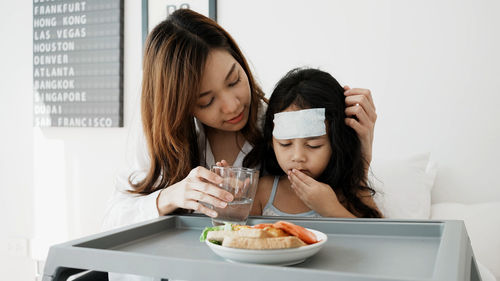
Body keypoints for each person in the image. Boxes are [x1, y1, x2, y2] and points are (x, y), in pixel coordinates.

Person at [103, 9, 378, 231]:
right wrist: (171, 196)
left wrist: (361, 145)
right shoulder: (163, 140)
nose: (232, 105)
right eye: (206, 101)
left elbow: (359, 212)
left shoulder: (281, 125)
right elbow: (113, 221)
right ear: (181, 107)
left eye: (234, 80)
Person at [250, 68, 382, 218]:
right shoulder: (264, 191)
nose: (298, 156)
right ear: (271, 142)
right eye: (285, 144)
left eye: (314, 145)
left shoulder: (350, 192)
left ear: (336, 144)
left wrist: (331, 209)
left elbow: (382, 239)